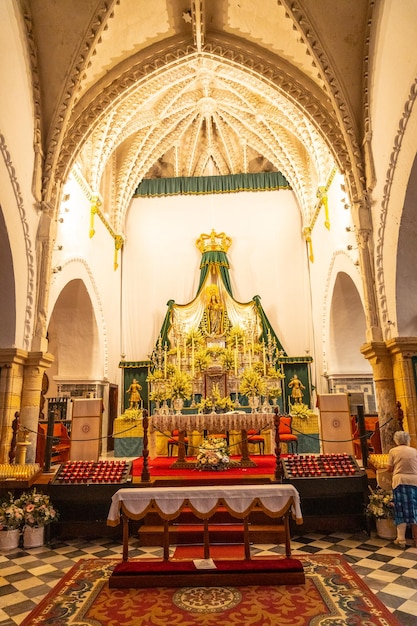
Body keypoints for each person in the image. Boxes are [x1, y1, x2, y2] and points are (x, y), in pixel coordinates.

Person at [387, 430, 417, 547]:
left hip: (400, 482)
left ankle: (401, 539)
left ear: (396, 440)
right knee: (415, 509)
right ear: (408, 440)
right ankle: (416, 540)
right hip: (414, 481)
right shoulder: (414, 451)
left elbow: (389, 468)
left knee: (400, 508)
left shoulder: (393, 451)